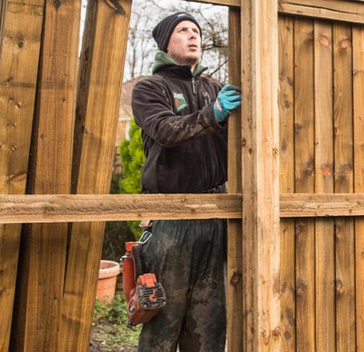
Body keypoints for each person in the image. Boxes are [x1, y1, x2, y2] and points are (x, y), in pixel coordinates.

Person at [130, 12, 241, 352]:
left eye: (196, 31)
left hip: (215, 213)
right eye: (183, 31)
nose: (193, 36)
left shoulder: (216, 89)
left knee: (209, 325)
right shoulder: (150, 88)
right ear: (166, 42)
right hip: (171, 217)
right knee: (163, 322)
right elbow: (166, 130)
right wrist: (214, 115)